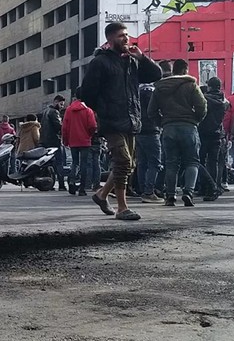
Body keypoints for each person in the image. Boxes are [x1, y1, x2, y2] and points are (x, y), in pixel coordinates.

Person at [81, 22, 162, 220]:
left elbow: (156, 75)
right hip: (111, 121)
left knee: (128, 164)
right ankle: (122, 208)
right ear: (109, 39)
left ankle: (101, 195)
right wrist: (103, 109)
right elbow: (86, 93)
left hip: (131, 119)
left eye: (126, 35)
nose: (125, 39)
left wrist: (142, 57)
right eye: (120, 36)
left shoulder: (132, 62)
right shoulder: (100, 62)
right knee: (124, 162)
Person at [148, 59, 207, 207]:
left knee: (171, 163)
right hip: (189, 127)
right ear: (185, 70)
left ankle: (170, 196)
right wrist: (196, 119)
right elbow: (202, 106)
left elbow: (151, 111)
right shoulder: (191, 85)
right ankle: (188, 192)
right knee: (192, 161)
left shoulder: (160, 87)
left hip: (168, 128)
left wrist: (162, 123)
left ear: (174, 70)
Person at [62, 88, 97, 196]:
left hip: (73, 140)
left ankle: (71, 182)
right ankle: (82, 188)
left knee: (74, 163)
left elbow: (65, 127)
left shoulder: (68, 110)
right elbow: (92, 126)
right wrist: (89, 135)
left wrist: (66, 140)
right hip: (85, 141)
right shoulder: (88, 110)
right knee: (84, 164)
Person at [198, 77, 227, 201]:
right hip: (217, 133)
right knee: (213, 162)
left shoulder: (204, 99)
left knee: (200, 160)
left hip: (203, 133)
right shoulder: (224, 101)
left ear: (209, 86)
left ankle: (204, 187)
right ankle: (213, 187)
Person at [136, 80, 162, 203]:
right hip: (151, 130)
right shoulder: (154, 92)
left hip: (138, 130)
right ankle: (149, 191)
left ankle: (142, 189)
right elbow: (156, 111)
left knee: (142, 162)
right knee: (154, 162)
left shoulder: (136, 91)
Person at [40, 95, 67, 190]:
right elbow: (59, 127)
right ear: (55, 102)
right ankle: (61, 185)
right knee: (60, 163)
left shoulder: (45, 112)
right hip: (55, 141)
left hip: (45, 141)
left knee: (49, 163)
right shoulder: (54, 112)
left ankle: (49, 184)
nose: (61, 106)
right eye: (61, 104)